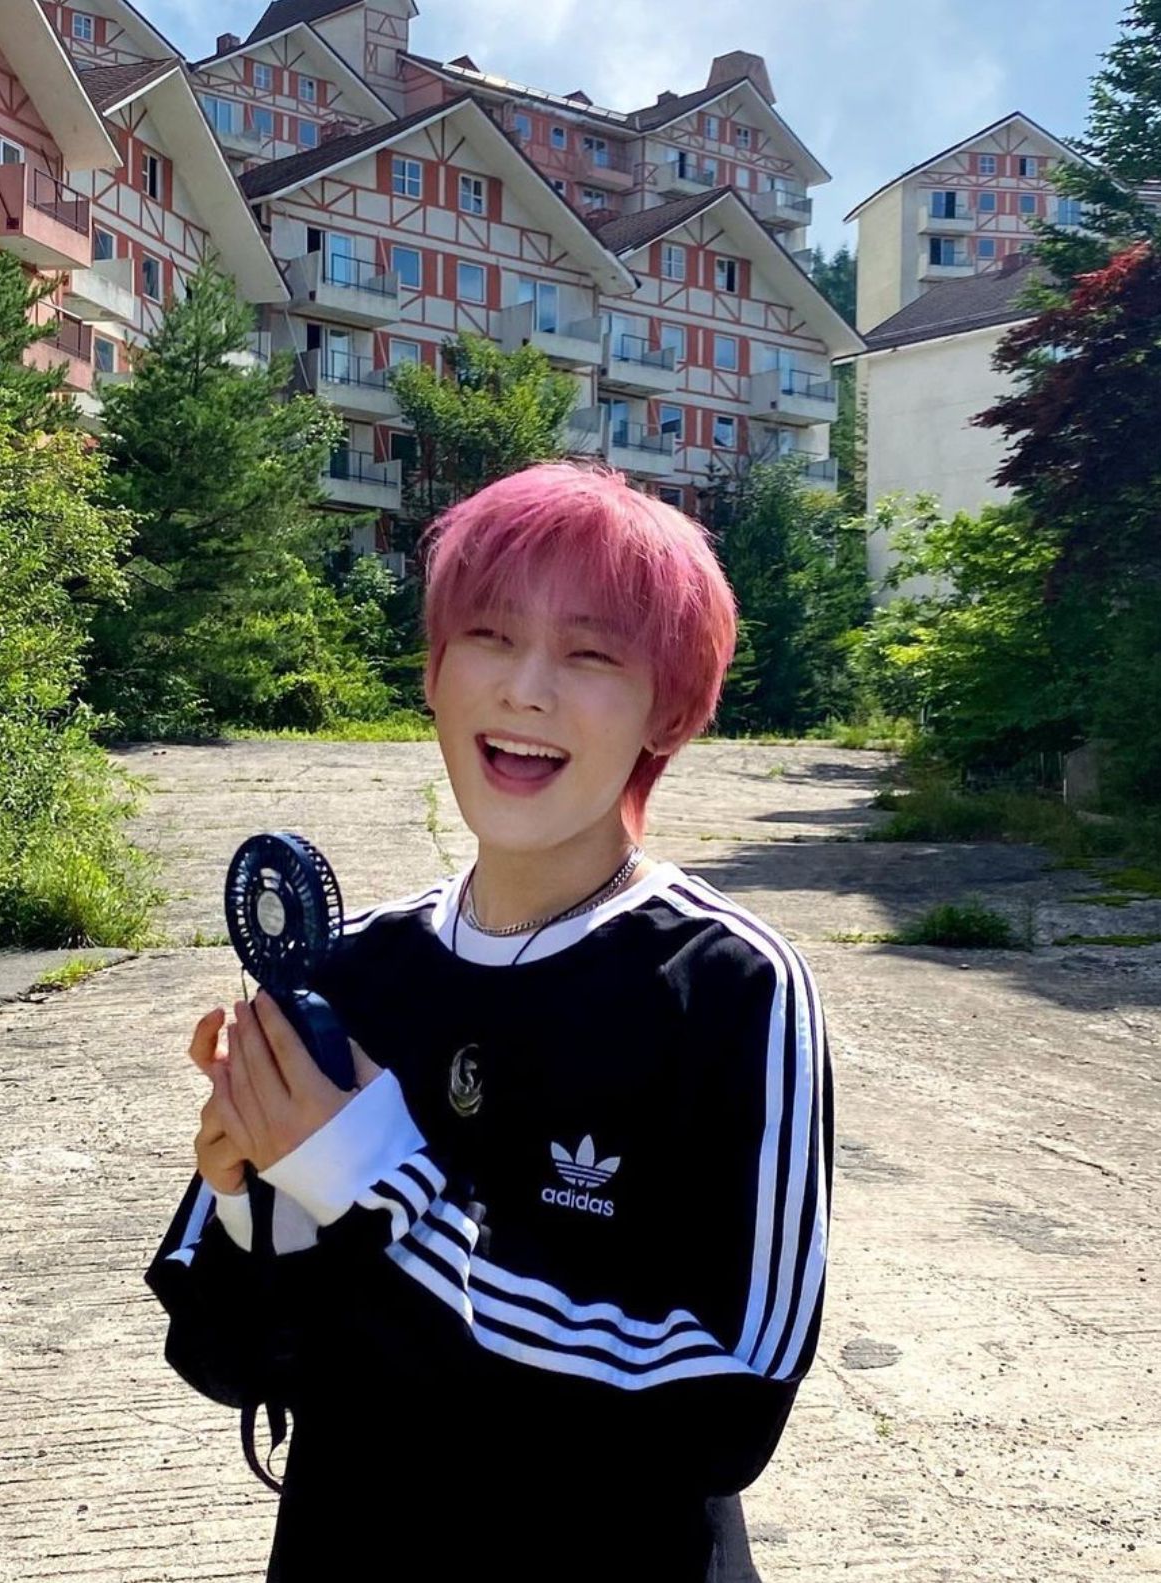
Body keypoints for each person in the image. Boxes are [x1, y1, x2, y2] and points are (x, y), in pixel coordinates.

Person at [159, 462, 833, 1583]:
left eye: (591, 653)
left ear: (670, 709)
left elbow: (727, 1402)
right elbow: (226, 1355)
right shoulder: (353, 968)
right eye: (488, 635)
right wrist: (252, 1198)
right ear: (433, 674)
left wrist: (368, 1173)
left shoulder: (728, 985)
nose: (526, 688)